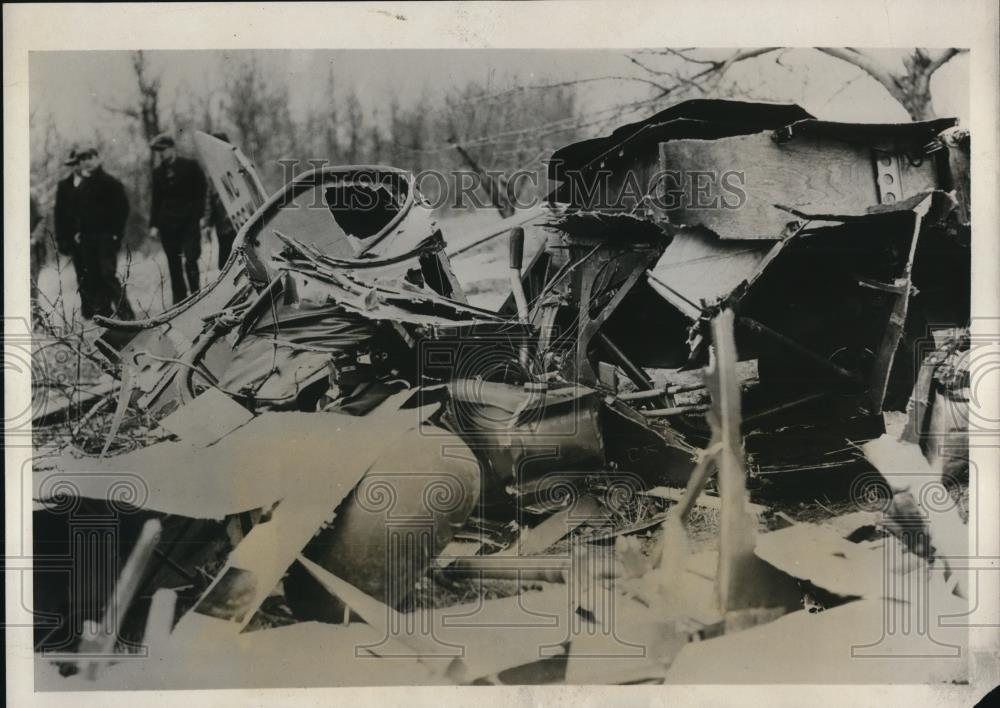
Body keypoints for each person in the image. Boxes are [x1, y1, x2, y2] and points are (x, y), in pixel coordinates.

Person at [72, 146, 133, 319]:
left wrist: (116, 233)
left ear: (98, 158)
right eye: (82, 159)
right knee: (94, 278)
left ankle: (126, 315)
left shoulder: (110, 183)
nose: (86, 162)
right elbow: (78, 212)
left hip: (106, 238)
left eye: (90, 157)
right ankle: (105, 318)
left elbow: (123, 209)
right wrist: (79, 231)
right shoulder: (82, 186)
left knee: (108, 276)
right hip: (88, 240)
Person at [149, 133, 207, 304]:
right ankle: (179, 301)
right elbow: (156, 200)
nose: (160, 154)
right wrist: (153, 225)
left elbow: (201, 192)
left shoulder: (190, 166)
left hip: (189, 222)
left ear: (172, 148)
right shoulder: (158, 173)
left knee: (190, 259)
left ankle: (197, 296)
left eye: (163, 149)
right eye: (157, 151)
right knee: (173, 264)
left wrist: (200, 216)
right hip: (167, 225)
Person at [202, 131, 238, 270]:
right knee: (225, 264)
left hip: (241, 222)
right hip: (223, 226)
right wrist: (206, 224)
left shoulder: (238, 164)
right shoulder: (213, 173)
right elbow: (209, 200)